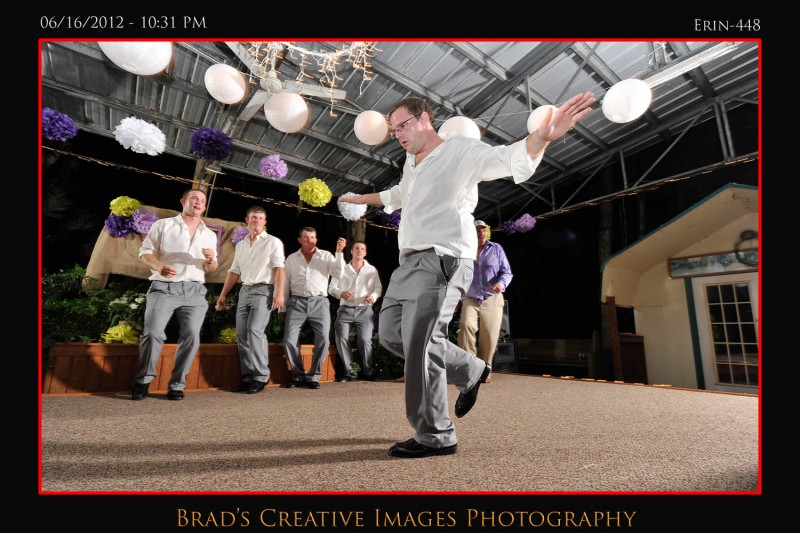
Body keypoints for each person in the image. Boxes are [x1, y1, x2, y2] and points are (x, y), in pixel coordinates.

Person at [340, 92, 595, 457]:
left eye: (403, 126)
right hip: (408, 263)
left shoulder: (458, 150)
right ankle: (470, 369)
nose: (398, 134)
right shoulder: (411, 162)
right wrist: (362, 200)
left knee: (422, 345)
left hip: (443, 258)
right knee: (393, 336)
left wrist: (541, 138)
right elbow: (399, 194)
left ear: (424, 119)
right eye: (394, 130)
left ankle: (435, 435)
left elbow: (502, 158)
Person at [131, 188, 218, 401]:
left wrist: (210, 261)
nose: (198, 202)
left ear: (204, 207)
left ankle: (177, 385)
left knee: (191, 337)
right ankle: (143, 381)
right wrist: (159, 266)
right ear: (183, 201)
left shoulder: (209, 234)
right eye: (193, 198)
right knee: (153, 333)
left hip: (195, 291)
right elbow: (145, 252)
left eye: (202, 200)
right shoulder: (163, 225)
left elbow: (211, 268)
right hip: (164, 287)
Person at [216, 205, 285, 394]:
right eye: (254, 217)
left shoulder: (273, 242)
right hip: (244, 291)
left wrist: (279, 294)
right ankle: (247, 377)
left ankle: (261, 376)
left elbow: (279, 269)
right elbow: (234, 271)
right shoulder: (241, 244)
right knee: (242, 334)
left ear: (265, 222)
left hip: (264, 290)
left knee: (255, 330)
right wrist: (223, 294)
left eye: (260, 218)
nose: (257, 221)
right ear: (247, 220)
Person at [280, 227, 346, 389]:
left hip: (319, 302)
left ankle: (313, 376)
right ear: (299, 240)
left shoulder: (325, 256)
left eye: (313, 237)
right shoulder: (291, 259)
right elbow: (285, 284)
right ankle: (298, 375)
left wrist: (339, 252)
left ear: (316, 240)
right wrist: (282, 308)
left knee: (323, 339)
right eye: (306, 237)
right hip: (296, 303)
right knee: (289, 340)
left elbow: (339, 273)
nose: (310, 240)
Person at [457, 220, 513, 380]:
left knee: (489, 334)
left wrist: (501, 284)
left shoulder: (496, 249)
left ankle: (483, 371)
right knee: (465, 326)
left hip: (492, 297)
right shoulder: (464, 251)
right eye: (477, 230)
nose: (481, 233)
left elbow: (507, 272)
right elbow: (459, 275)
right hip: (470, 297)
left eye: (483, 230)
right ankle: (470, 368)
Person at [328, 241, 383, 382]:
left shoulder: (371, 270)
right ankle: (350, 372)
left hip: (364, 310)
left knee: (365, 340)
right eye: (357, 248)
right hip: (345, 310)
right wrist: (341, 293)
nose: (359, 250)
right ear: (351, 251)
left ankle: (368, 371)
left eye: (362, 249)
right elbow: (331, 288)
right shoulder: (342, 269)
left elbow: (378, 288)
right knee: (341, 339)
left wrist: (373, 296)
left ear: (365, 253)